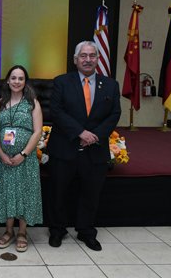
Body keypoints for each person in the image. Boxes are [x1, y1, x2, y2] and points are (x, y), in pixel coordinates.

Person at [47, 41, 121, 251]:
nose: (88, 60)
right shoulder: (62, 82)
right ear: (75, 60)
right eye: (83, 56)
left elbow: (115, 113)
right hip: (65, 148)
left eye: (92, 56)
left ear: (98, 59)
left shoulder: (110, 85)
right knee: (58, 192)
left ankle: (86, 231)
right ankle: (57, 229)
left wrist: (95, 135)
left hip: (95, 150)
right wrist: (80, 132)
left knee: (91, 193)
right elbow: (56, 111)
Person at [0, 65, 43, 253]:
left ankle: (22, 232)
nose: (17, 81)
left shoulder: (33, 103)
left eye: (21, 78)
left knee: (24, 193)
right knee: (6, 193)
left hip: (25, 160)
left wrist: (23, 154)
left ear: (25, 82)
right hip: (3, 160)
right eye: (13, 78)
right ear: (7, 80)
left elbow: (37, 132)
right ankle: (8, 231)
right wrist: (2, 153)